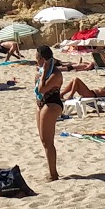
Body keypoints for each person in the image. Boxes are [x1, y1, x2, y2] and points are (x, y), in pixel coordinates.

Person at [34, 46, 63, 181]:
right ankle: (51, 171)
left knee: (48, 142)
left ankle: (53, 174)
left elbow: (41, 89)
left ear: (43, 59)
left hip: (52, 104)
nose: (36, 61)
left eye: (37, 58)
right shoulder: (41, 71)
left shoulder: (54, 74)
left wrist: (44, 73)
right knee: (43, 140)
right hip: (41, 104)